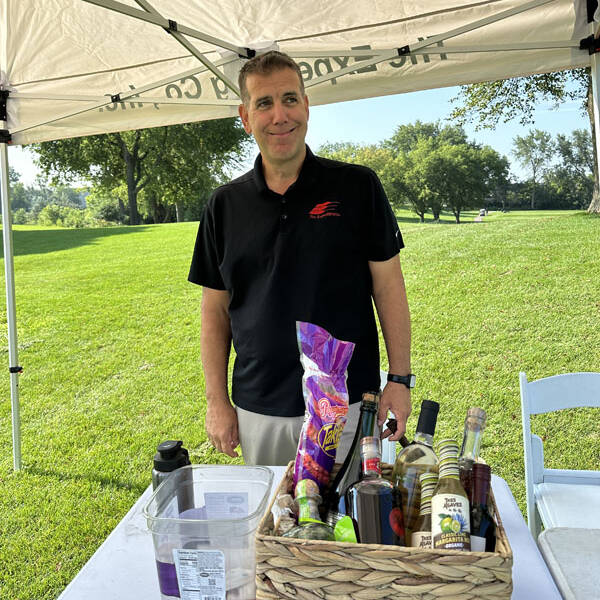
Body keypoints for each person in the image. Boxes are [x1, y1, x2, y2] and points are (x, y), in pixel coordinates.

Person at [188, 51, 412, 466]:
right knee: (277, 524)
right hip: (260, 409)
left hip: (347, 403)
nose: (280, 115)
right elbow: (214, 312)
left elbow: (389, 287)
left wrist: (398, 380)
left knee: (354, 522)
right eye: (264, 103)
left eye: (290, 99)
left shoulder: (358, 186)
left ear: (307, 106)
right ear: (245, 115)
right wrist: (216, 401)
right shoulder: (223, 205)